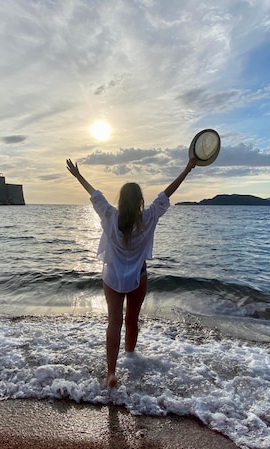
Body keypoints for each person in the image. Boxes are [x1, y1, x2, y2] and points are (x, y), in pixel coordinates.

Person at [66, 157, 198, 387]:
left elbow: (94, 194)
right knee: (132, 321)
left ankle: (111, 372)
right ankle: (130, 358)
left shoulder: (109, 215)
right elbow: (167, 194)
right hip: (139, 277)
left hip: (113, 278)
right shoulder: (148, 218)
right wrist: (187, 168)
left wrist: (78, 176)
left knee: (114, 322)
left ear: (121, 199)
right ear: (140, 201)